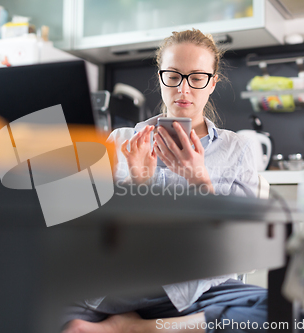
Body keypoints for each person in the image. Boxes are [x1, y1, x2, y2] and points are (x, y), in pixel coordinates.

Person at [61, 28, 267, 333]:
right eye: (173, 75)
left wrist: (199, 180)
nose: (184, 89)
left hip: (196, 292)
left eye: (197, 78)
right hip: (115, 287)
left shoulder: (236, 149)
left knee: (296, 312)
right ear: (160, 78)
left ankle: (136, 329)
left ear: (212, 83)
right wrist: (139, 185)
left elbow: (244, 244)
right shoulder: (120, 141)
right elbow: (90, 234)